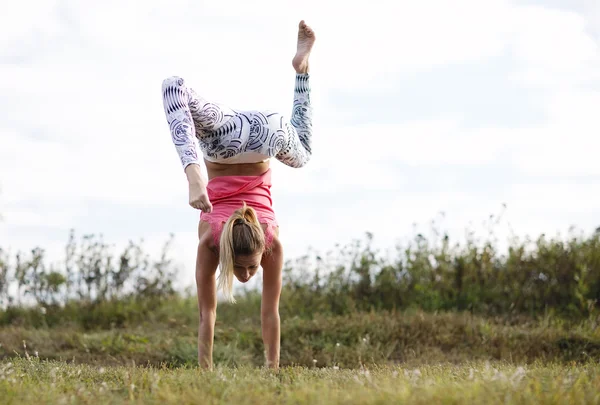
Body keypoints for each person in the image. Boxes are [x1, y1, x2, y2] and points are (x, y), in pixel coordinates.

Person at [161, 20, 316, 370]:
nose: (247, 275)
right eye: (247, 268)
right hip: (260, 133)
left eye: (247, 267)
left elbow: (208, 313)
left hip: (241, 136)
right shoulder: (260, 242)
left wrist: (212, 370)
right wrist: (267, 368)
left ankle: (194, 172)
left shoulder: (220, 242)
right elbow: (267, 312)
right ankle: (302, 71)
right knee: (303, 152)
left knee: (174, 88)